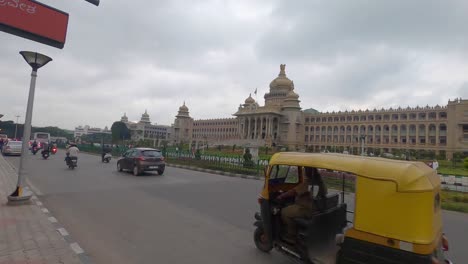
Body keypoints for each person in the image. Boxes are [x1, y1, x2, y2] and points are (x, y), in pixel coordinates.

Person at [278, 167, 327, 244]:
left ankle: (291, 235)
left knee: (284, 212)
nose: (303, 172)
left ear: (308, 171)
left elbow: (293, 192)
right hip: (316, 207)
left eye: (304, 170)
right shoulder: (319, 180)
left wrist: (281, 196)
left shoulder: (307, 181)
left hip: (306, 209)